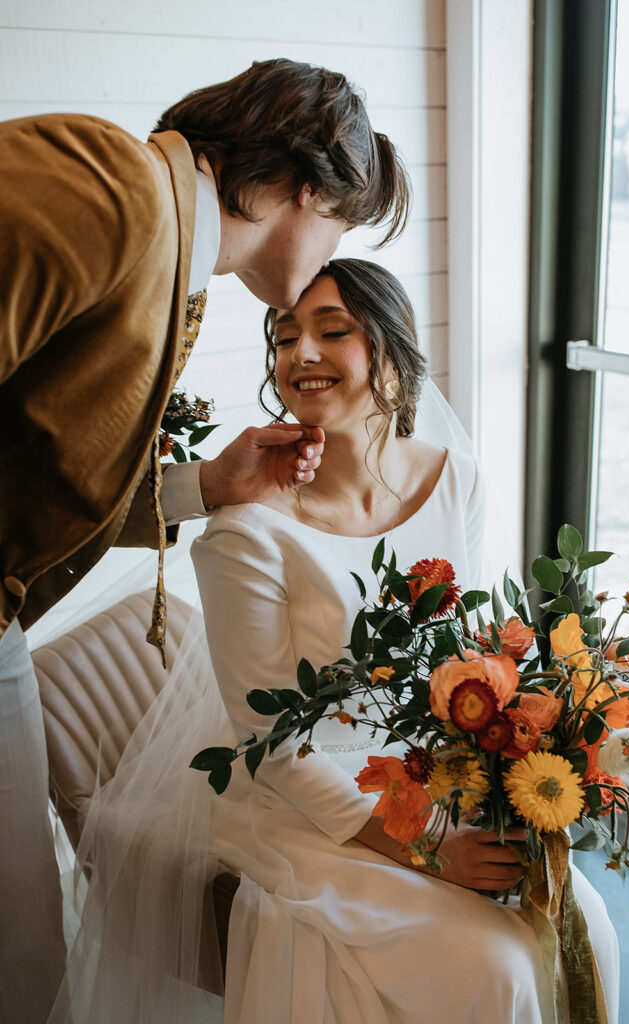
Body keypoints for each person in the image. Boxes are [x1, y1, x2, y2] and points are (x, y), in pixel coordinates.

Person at [0, 61, 409, 1024]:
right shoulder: (108, 182)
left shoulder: (168, 262)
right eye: (341, 229)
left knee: (22, 950)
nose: (321, 269)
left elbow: (32, 465)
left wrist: (205, 487)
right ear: (312, 186)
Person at [188, 259, 619, 1022]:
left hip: (438, 770)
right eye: (285, 338)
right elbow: (269, 741)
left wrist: (506, 777)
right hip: (315, 803)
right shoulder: (245, 533)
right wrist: (424, 847)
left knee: (583, 926)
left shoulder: (455, 479)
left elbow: (480, 654)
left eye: (332, 331)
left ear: (392, 354)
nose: (300, 355)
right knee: (496, 970)